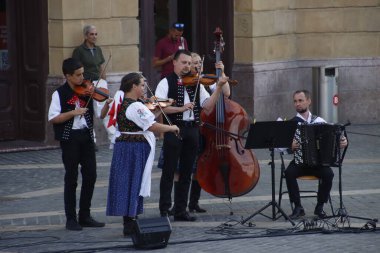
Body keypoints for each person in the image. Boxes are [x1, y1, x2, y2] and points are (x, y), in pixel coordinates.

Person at [155, 49, 229, 221]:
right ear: (174, 62)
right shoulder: (166, 83)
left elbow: (208, 106)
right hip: (174, 128)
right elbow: (159, 107)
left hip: (193, 129)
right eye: (184, 63)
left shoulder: (197, 83)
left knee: (187, 172)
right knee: (169, 171)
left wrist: (218, 88)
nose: (187, 66)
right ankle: (164, 210)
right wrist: (180, 108)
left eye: (189, 63)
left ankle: (181, 210)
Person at [105, 72, 179, 236]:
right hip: (133, 148)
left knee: (130, 181)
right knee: (133, 181)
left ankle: (130, 219)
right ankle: (130, 222)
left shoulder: (127, 103)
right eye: (142, 85)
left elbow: (148, 119)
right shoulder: (134, 106)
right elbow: (151, 126)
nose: (144, 88)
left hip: (127, 147)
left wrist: (161, 109)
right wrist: (171, 128)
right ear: (134, 86)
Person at [48, 58, 105, 231]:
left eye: (83, 74)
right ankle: (71, 218)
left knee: (91, 175)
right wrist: (73, 112)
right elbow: (53, 118)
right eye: (78, 75)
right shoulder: (59, 93)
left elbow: (100, 114)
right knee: (71, 178)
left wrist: (107, 103)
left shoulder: (87, 91)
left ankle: (85, 215)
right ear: (68, 76)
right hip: (70, 138)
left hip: (86, 137)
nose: (82, 78)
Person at [285, 90, 348, 219]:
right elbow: (280, 147)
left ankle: (319, 207)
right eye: (295, 101)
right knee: (289, 173)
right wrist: (289, 147)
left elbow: (333, 137)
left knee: (329, 174)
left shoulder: (319, 121)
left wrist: (343, 141)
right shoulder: (291, 124)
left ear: (309, 101)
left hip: (319, 162)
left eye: (300, 100)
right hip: (300, 162)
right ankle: (298, 207)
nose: (297, 104)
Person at [187, 52, 231, 213]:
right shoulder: (186, 82)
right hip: (192, 128)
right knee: (185, 168)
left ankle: (193, 202)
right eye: (194, 63)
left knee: (199, 167)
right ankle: (179, 204)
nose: (198, 65)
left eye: (200, 62)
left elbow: (226, 93)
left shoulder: (207, 80)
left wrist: (222, 72)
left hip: (206, 130)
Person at [72, 24, 114, 149]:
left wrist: (104, 81)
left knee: (106, 110)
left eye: (96, 34)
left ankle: (113, 138)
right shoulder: (79, 50)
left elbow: (101, 67)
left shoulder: (98, 49)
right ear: (86, 36)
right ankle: (92, 140)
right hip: (86, 84)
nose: (94, 36)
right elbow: (76, 68)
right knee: (88, 112)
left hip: (99, 82)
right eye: (91, 34)